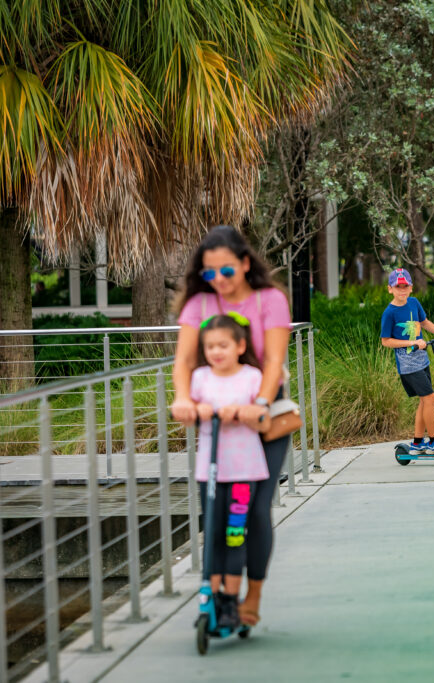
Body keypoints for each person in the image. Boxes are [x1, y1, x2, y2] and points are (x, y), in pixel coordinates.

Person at [170, 225, 292, 628]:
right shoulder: (199, 305)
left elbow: (273, 360)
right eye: (209, 273)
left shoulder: (269, 300)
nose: (218, 281)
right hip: (220, 413)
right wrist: (184, 399)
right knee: (218, 510)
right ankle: (222, 594)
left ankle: (250, 597)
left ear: (244, 263)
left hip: (262, 409)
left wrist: (259, 404)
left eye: (226, 271)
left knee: (255, 510)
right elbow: (185, 362)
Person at [191, 314, 270, 629]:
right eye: (210, 346)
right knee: (212, 534)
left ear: (240, 346)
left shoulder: (251, 377)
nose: (216, 352)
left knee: (235, 536)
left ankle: (229, 601)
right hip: (208, 472)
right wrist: (196, 411)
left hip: (243, 470)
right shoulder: (200, 377)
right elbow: (188, 410)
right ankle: (211, 592)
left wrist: (244, 411)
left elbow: (263, 417)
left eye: (222, 345)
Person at [379, 267, 434, 455]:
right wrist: (412, 342)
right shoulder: (389, 313)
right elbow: (386, 341)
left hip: (422, 360)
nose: (402, 290)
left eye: (405, 286)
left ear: (411, 288)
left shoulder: (414, 303)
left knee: (424, 401)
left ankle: (418, 443)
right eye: (398, 287)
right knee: (430, 398)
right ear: (390, 289)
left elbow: (424, 322)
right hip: (408, 365)